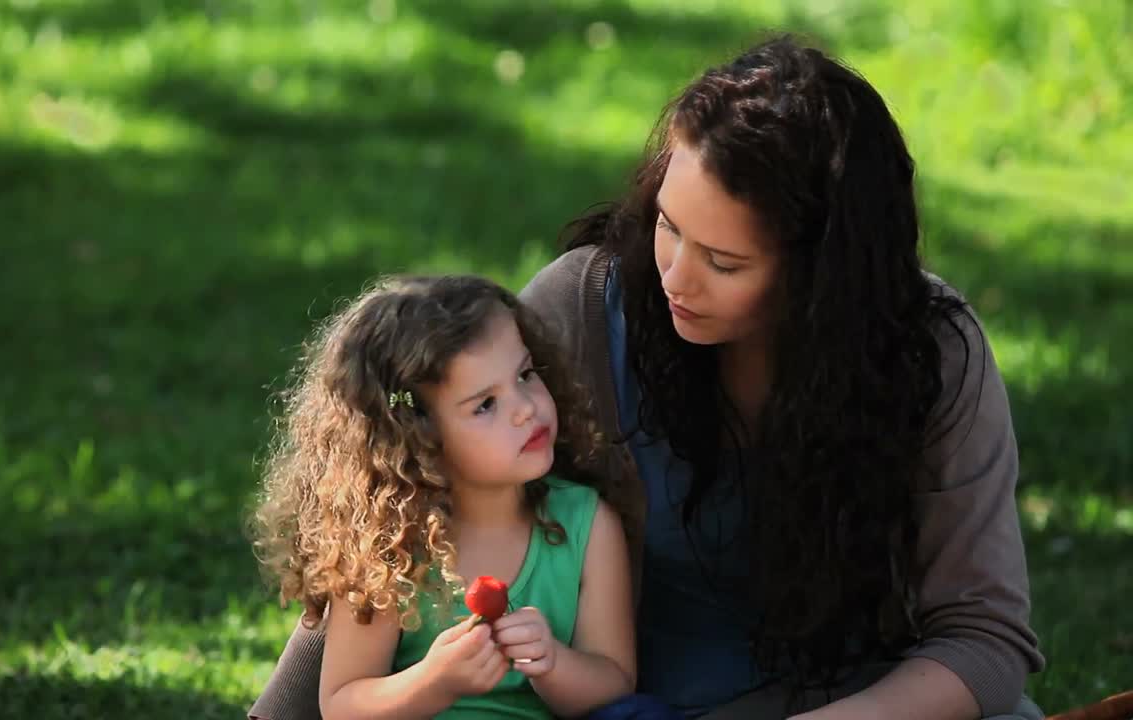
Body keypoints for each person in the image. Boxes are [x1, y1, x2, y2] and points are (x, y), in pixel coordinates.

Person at [249, 36, 1045, 720]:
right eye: (667, 223)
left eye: (724, 261)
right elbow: (407, 481)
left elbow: (984, 637)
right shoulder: (587, 307)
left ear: (823, 279)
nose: (674, 275)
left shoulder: (929, 357)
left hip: (853, 699)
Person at [250, 275, 636, 719]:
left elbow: (615, 682)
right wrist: (435, 680)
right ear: (419, 438)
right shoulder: (392, 545)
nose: (526, 407)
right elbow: (342, 705)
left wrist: (552, 663)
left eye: (526, 375)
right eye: (485, 405)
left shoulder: (587, 525)